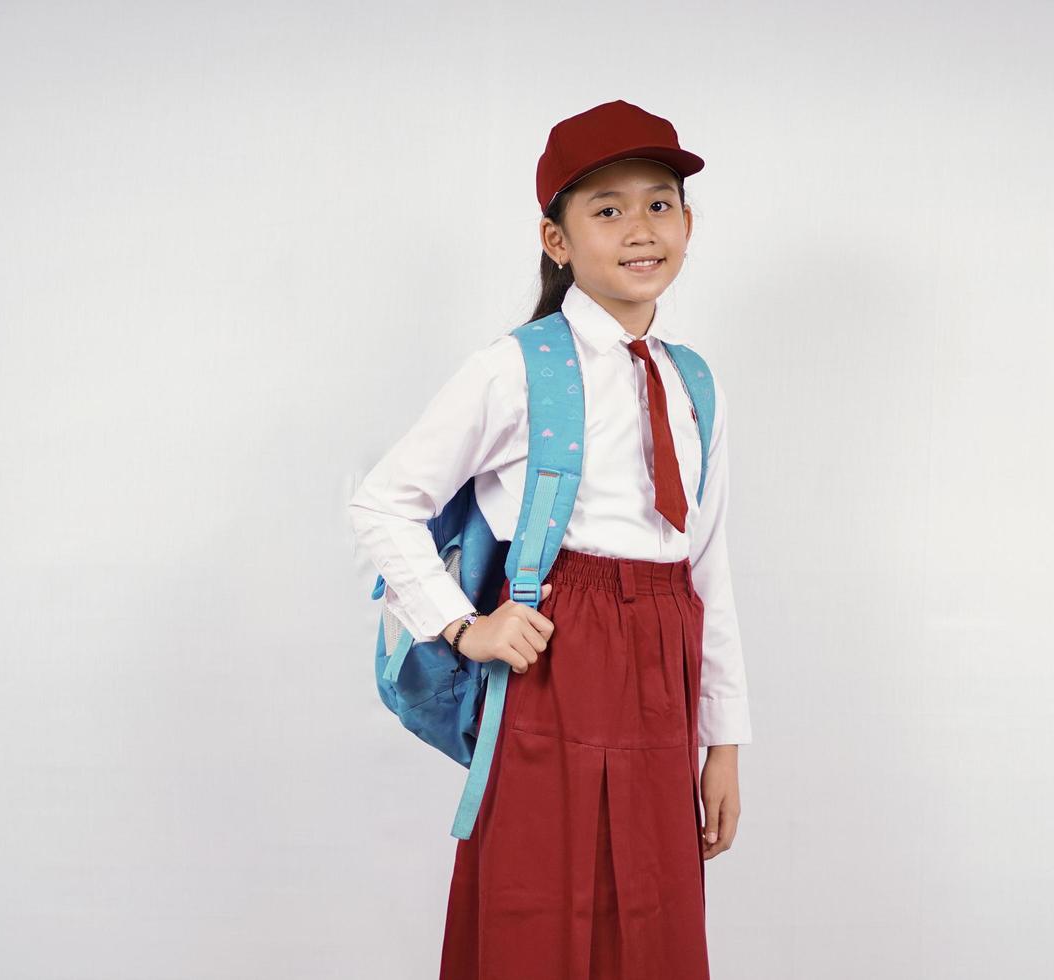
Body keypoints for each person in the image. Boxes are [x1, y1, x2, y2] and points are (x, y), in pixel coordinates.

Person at [347, 98, 752, 980]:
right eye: (606, 210)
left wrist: (723, 740)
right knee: (536, 921)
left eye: (659, 203)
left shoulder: (695, 385)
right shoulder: (513, 368)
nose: (640, 229)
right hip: (553, 676)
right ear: (557, 239)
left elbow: (705, 571)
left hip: (665, 674)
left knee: (655, 925)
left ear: (689, 223)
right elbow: (383, 503)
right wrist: (464, 624)